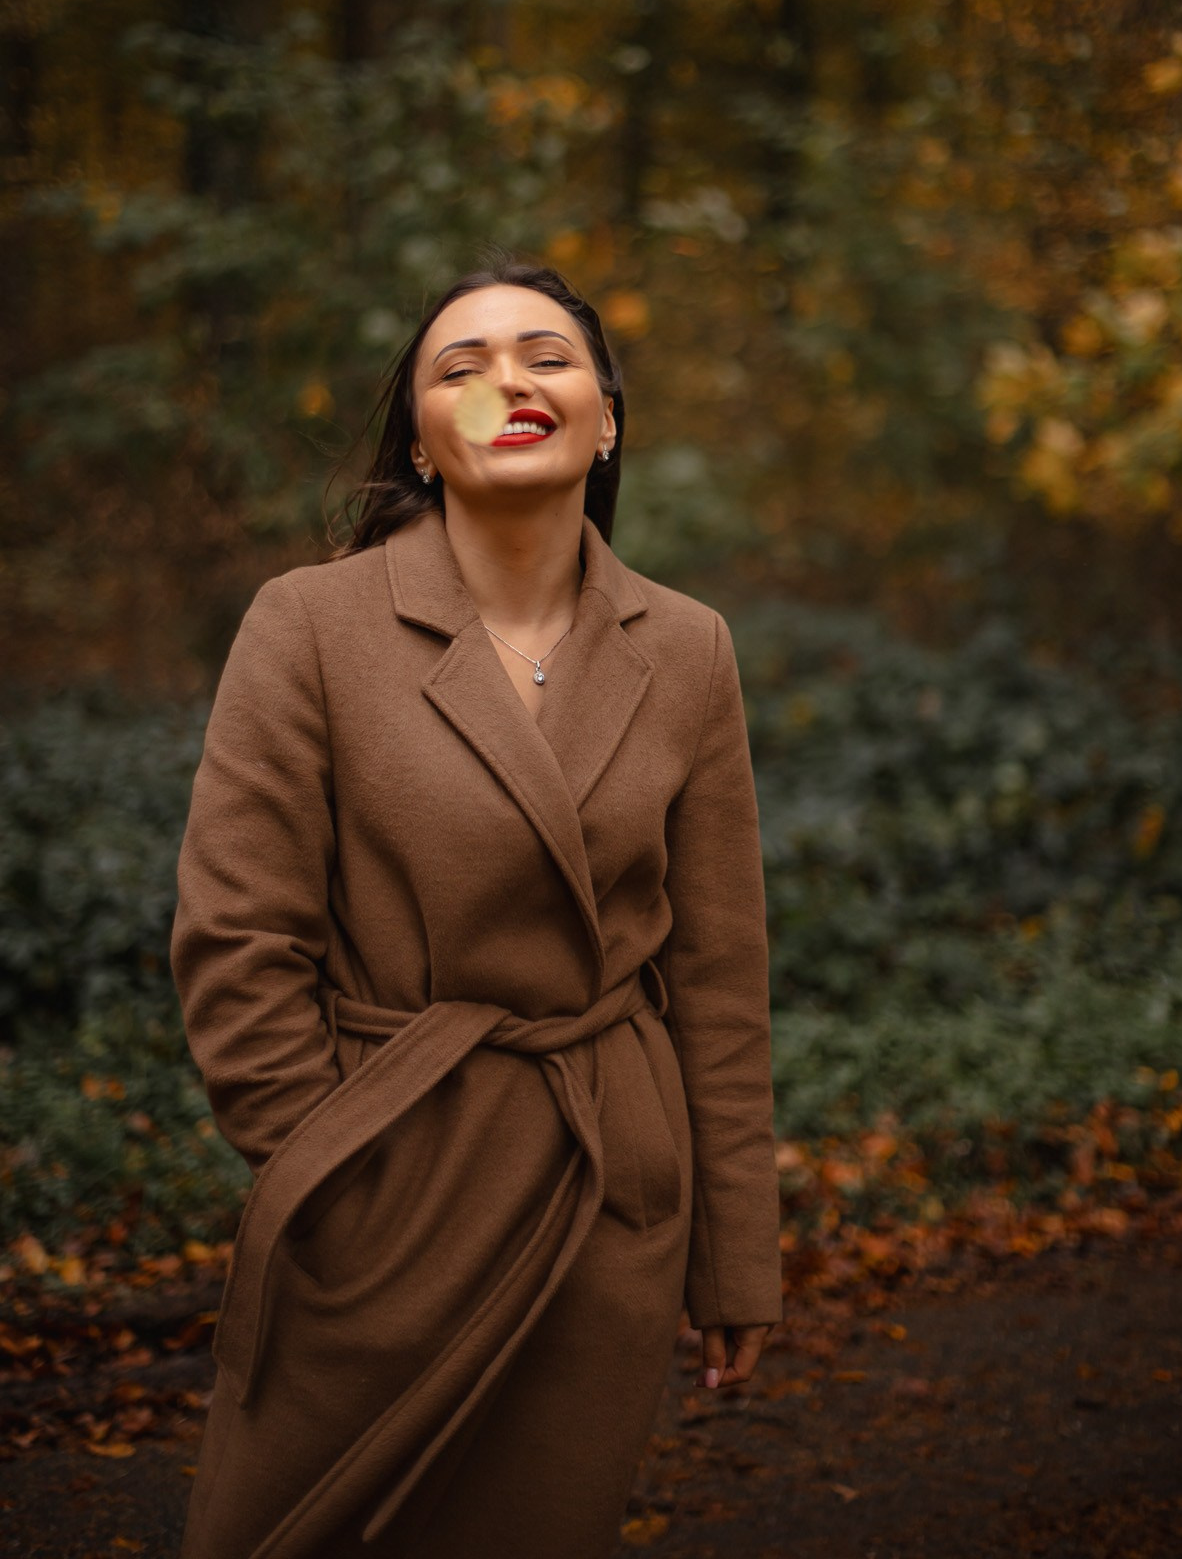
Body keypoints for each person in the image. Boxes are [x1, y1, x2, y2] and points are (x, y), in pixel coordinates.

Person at [169, 253, 784, 1559]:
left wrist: (734, 1254)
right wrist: (335, 1169)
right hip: (386, 1186)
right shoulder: (311, 625)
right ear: (421, 441)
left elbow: (721, 978)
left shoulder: (686, 647)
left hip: (600, 1186)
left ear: (605, 420)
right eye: (463, 366)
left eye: (546, 357)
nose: (508, 380)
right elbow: (236, 941)